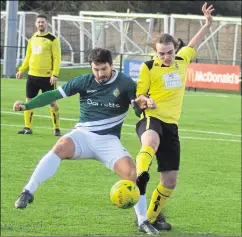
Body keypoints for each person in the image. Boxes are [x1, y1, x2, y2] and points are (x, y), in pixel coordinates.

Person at [13, 48, 159, 235]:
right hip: (83, 135)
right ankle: (27, 192)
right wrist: (27, 105)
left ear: (111, 65)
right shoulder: (83, 81)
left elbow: (138, 110)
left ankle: (142, 221)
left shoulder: (125, 83)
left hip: (109, 140)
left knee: (133, 174)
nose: (99, 74)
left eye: (103, 69)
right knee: (60, 146)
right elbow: (52, 95)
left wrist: (142, 105)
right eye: (96, 69)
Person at [133, 2, 215, 231]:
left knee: (170, 180)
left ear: (175, 49)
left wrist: (207, 24)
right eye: (162, 53)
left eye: (170, 52)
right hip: (152, 118)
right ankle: (141, 175)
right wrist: (146, 100)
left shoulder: (182, 60)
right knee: (151, 141)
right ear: (155, 52)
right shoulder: (148, 67)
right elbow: (140, 94)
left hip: (172, 125)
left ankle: (148, 218)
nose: (167, 56)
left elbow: (194, 43)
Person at [16, 14, 61, 136]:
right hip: (32, 76)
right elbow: (28, 56)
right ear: (36, 24)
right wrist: (21, 69)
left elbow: (57, 58)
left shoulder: (53, 39)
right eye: (39, 22)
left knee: (52, 103)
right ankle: (27, 127)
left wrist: (55, 74)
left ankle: (56, 128)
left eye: (43, 22)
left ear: (47, 24)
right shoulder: (32, 38)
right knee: (29, 102)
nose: (41, 24)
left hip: (47, 77)